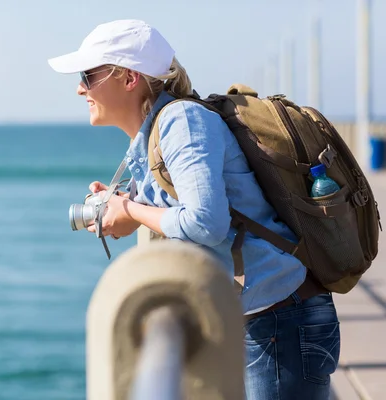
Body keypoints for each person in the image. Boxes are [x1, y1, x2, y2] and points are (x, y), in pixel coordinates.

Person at [47, 19, 341, 399]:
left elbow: (206, 223)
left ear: (129, 78)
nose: (79, 88)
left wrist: (132, 213)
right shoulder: (155, 134)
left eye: (88, 75)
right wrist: (123, 208)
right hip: (265, 320)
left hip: (278, 321)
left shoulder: (181, 122)